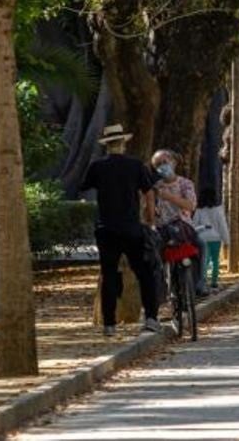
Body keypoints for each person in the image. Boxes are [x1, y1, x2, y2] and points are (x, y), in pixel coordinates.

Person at [81, 125, 161, 336]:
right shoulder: (135, 166)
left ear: (106, 145)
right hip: (132, 228)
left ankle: (109, 325)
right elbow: (149, 192)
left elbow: (86, 186)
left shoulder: (97, 166)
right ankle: (151, 317)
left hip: (106, 229)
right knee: (144, 273)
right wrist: (150, 219)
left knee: (109, 274)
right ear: (123, 144)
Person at [151, 149, 208, 297]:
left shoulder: (185, 184)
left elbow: (190, 205)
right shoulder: (155, 187)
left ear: (173, 162)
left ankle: (200, 283)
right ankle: (160, 289)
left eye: (165, 162)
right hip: (162, 229)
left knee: (201, 244)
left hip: (184, 227)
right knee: (153, 252)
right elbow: (150, 211)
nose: (163, 166)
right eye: (158, 164)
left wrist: (169, 196)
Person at [191, 187, 230, 291]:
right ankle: (214, 282)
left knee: (204, 260)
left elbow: (194, 224)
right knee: (215, 260)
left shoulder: (199, 210)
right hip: (215, 238)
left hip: (202, 238)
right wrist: (226, 239)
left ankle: (203, 281)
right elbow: (222, 225)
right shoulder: (218, 210)